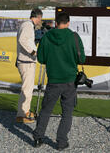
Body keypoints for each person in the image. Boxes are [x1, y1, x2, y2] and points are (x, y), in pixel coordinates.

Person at [32, 12, 85, 150]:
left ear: (56, 23)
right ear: (68, 23)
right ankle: (61, 142)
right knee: (67, 112)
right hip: (70, 81)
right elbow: (82, 59)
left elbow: (41, 59)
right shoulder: (74, 36)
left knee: (46, 110)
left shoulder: (47, 37)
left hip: (53, 80)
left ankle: (38, 137)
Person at [16, 8, 43, 124]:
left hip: (26, 61)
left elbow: (26, 40)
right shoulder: (27, 25)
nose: (40, 21)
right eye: (40, 19)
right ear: (37, 17)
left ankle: (25, 111)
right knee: (27, 89)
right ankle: (22, 114)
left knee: (28, 88)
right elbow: (22, 40)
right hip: (26, 62)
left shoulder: (27, 25)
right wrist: (33, 52)